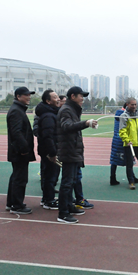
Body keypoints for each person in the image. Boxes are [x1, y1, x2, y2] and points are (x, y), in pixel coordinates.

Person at [56, 86, 93, 223]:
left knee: (70, 182)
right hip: (68, 150)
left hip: (72, 150)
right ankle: (63, 213)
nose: (82, 98)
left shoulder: (71, 109)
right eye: (80, 96)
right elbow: (67, 127)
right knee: (66, 182)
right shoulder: (66, 110)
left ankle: (68, 206)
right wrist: (86, 123)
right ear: (73, 96)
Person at [6, 87, 36, 214]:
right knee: (20, 178)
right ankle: (17, 205)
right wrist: (24, 149)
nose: (29, 97)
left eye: (29, 95)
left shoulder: (18, 109)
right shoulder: (16, 111)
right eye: (26, 95)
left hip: (18, 151)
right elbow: (16, 133)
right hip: (19, 152)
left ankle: (12, 203)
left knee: (16, 177)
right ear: (18, 96)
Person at [35, 89, 60, 210]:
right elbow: (48, 136)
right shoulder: (48, 116)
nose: (58, 99)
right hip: (49, 151)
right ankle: (48, 201)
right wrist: (52, 153)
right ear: (48, 101)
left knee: (48, 176)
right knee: (50, 176)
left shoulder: (51, 113)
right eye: (55, 97)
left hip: (48, 150)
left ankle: (46, 199)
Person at [110, 103, 138, 186]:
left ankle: (112, 178)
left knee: (114, 159)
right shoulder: (126, 115)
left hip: (116, 139)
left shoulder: (117, 114)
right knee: (129, 159)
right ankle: (132, 177)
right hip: (125, 139)